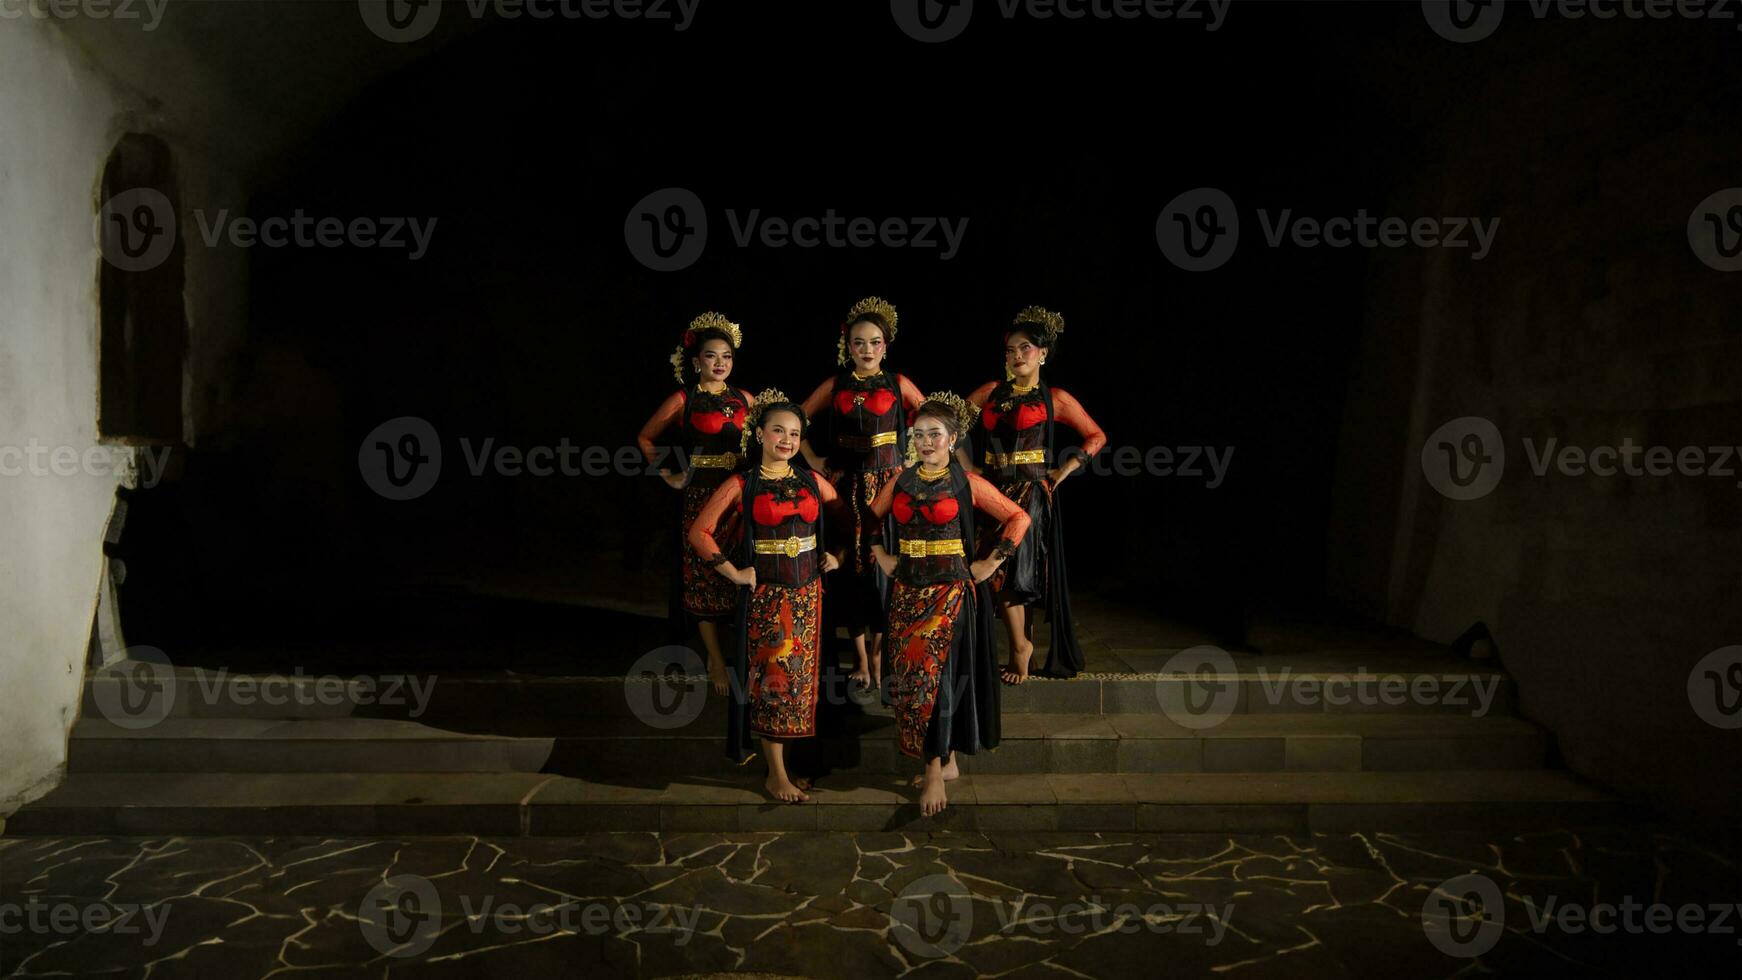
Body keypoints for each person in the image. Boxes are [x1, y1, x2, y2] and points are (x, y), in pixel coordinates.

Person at [869, 394, 1030, 817]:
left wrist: (990, 563)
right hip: (907, 592)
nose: (925, 441)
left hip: (951, 593)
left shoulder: (966, 482)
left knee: (936, 680)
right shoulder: (900, 481)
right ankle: (947, 759)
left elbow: (1019, 518)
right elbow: (868, 518)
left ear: (952, 438)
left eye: (934, 434)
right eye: (918, 434)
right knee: (915, 681)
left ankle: (936, 770)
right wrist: (880, 555)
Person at [689, 391, 847, 802]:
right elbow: (699, 532)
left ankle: (788, 767)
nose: (787, 440)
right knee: (773, 683)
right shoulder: (742, 482)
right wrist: (734, 572)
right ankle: (775, 774)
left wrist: (838, 555)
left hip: (809, 597)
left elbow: (847, 520)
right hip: (767, 599)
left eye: (795, 433)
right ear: (759, 434)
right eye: (778, 430)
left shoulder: (813, 481)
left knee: (800, 686)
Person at [963, 306, 1107, 682]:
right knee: (989, 570)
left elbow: (1096, 436)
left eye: (1025, 348)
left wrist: (1064, 469)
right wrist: (966, 468)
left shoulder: (1055, 398)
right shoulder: (990, 392)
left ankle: (1021, 650)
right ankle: (1011, 645)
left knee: (1013, 571)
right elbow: (951, 424)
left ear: (1043, 353)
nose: (1016, 356)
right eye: (1010, 350)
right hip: (992, 489)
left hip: (1030, 491)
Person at [798, 296, 925, 696]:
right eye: (859, 343)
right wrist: (813, 458)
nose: (866, 350)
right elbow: (796, 416)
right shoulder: (836, 384)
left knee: (884, 567)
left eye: (874, 343)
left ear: (885, 346)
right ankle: (859, 657)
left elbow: (933, 420)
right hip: (846, 487)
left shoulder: (899, 383)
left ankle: (880, 654)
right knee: (850, 568)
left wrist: (918, 466)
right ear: (847, 346)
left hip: (889, 488)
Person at [636, 313, 755, 696]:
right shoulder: (683, 399)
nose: (720, 363)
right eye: (711, 356)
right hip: (700, 494)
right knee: (703, 573)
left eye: (727, 357)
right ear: (696, 361)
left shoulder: (746, 400)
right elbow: (646, 438)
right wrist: (668, 475)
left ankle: (740, 649)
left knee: (738, 568)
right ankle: (716, 658)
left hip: (738, 494)